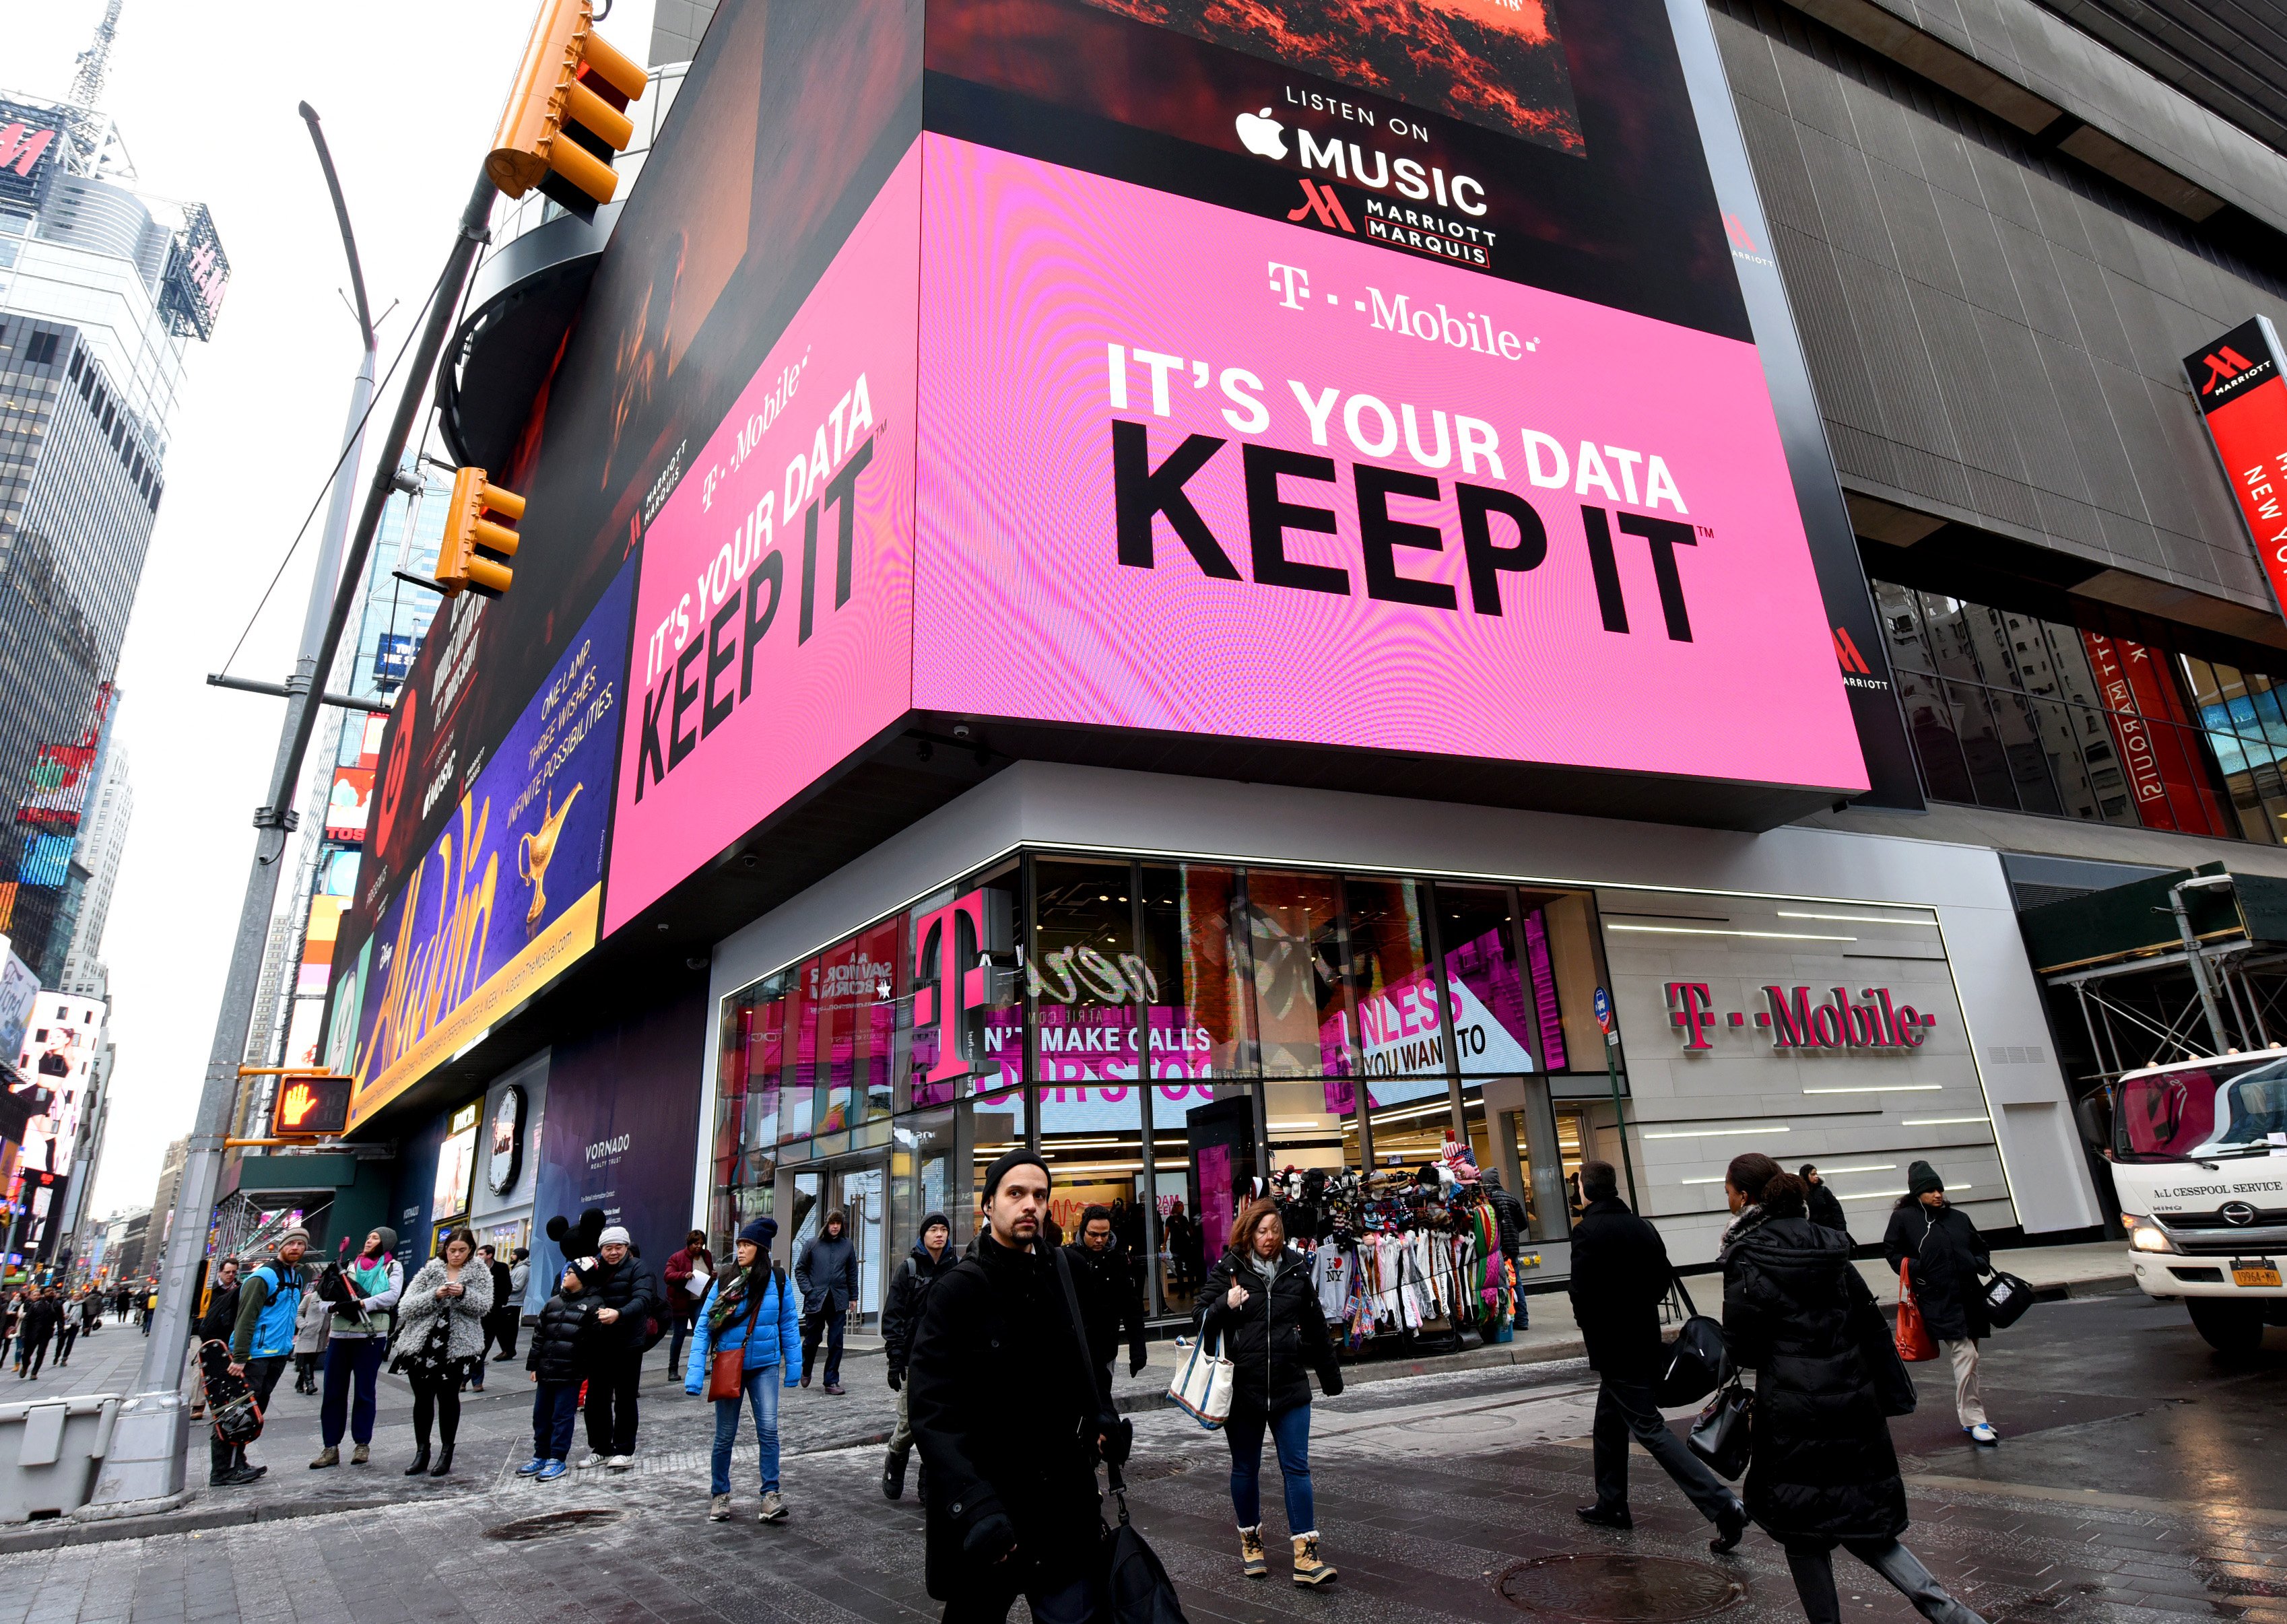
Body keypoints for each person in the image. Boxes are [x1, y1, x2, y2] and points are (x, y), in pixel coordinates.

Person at [1723, 1153, 1987, 1624]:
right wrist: (1890, 1396)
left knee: (1804, 1536)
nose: (1727, 1198)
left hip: (1791, 1411)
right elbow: (1869, 1326)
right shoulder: (1831, 1246)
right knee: (1868, 1527)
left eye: (1728, 1191)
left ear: (1744, 1197)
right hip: (1851, 1401)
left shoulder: (1747, 1256)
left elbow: (1745, 1347)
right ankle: (1951, 1615)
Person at [908, 1149, 1127, 1624]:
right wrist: (974, 1503)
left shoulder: (1068, 1275)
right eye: (1015, 1193)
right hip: (992, 1517)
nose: (1030, 1204)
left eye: (1039, 1195)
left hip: (1064, 1508)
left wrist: (1101, 1416)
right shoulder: (957, 1290)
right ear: (988, 1206)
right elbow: (930, 1409)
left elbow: (1090, 1366)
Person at [1568, 1158, 1748, 1550]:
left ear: (1588, 1189)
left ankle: (1723, 1505)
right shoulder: (1642, 1227)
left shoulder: (1588, 1232)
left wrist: (1597, 1326)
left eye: (1578, 1183)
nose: (1576, 1189)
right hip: (1644, 1339)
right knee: (1609, 1423)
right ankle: (1612, 1502)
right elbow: (1662, 1277)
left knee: (1649, 1429)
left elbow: (1582, 1294)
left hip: (1615, 1349)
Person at [1198, 1196, 1344, 1586]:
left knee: (1297, 1468)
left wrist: (1331, 1378)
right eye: (1262, 1231)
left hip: (1290, 1387)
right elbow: (1199, 1316)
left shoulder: (1297, 1268)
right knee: (1245, 1468)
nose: (1269, 1237)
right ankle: (1252, 1545)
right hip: (1243, 1390)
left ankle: (1307, 1557)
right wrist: (1224, 1305)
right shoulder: (1230, 1268)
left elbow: (1314, 1325)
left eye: (1275, 1230)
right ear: (1249, 1232)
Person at [685, 1215, 801, 1522]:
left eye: (747, 1245)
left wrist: (794, 1367)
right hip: (729, 1364)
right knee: (725, 1435)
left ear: (760, 1249)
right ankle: (720, 1495)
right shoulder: (724, 1279)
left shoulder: (778, 1280)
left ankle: (770, 1496)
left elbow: (788, 1324)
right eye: (739, 1244)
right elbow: (703, 1328)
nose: (740, 1250)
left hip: (765, 1367)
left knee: (769, 1430)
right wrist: (695, 1373)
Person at [1884, 1161, 1995, 1445]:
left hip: (1971, 1296)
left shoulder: (1958, 1217)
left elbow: (1980, 1246)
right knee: (1966, 1354)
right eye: (1930, 1190)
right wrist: (1918, 1268)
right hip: (1936, 1298)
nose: (1937, 1194)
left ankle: (1972, 1419)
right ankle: (1975, 1419)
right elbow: (1892, 1251)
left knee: (1970, 1360)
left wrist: (1978, 1262)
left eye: (1939, 1189)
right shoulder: (1904, 1219)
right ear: (1917, 1192)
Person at [391, 1227, 492, 1477]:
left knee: (448, 1399)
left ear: (470, 1251)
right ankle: (421, 1452)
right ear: (445, 1249)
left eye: (462, 1251)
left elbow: (485, 1306)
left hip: (457, 1345)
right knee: (422, 1400)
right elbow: (405, 1306)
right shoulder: (431, 1270)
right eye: (451, 1250)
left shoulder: (480, 1272)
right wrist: (434, 1295)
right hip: (423, 1343)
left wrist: (464, 1294)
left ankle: (446, 1453)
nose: (455, 1255)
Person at [222, 1228, 310, 1486]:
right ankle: (223, 1470)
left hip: (277, 1354)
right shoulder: (264, 1276)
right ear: (282, 1246)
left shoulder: (296, 1277)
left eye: (300, 1245)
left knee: (255, 1412)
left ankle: (239, 1462)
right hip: (254, 1355)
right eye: (291, 1243)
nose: (296, 1248)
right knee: (237, 1411)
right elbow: (246, 1318)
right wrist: (239, 1357)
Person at [312, 1227, 403, 1470]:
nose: (369, 1240)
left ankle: (362, 1444)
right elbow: (321, 1298)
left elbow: (393, 1296)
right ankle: (330, 1447)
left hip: (371, 1335)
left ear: (386, 1242)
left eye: (375, 1238)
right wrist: (334, 1307)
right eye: (368, 1236)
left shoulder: (392, 1267)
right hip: (340, 1334)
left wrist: (364, 1302)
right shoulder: (347, 1266)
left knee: (365, 1391)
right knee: (333, 1392)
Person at [880, 1211, 953, 1501]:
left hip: (946, 1360)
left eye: (944, 1230)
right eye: (933, 1229)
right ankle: (896, 1458)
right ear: (923, 1235)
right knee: (909, 1423)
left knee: (939, 1423)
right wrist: (895, 1357)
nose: (939, 1234)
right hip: (914, 1359)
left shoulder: (955, 1268)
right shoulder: (908, 1269)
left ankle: (929, 1478)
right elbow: (893, 1315)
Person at [581, 1224, 660, 1470]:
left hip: (628, 1342)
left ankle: (625, 1449)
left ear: (627, 1248)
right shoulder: (591, 1268)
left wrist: (619, 1313)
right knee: (595, 1398)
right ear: (600, 1249)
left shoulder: (639, 1268)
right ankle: (601, 1448)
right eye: (608, 1248)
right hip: (598, 1342)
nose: (613, 1253)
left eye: (618, 1247)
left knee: (625, 1397)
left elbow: (643, 1300)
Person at [521, 1260, 599, 1482]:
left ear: (583, 1278)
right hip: (547, 1370)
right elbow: (539, 1336)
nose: (566, 1276)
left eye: (572, 1273)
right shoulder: (552, 1303)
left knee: (562, 1417)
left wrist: (584, 1367)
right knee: (541, 1415)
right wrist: (534, 1365)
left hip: (571, 1372)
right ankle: (540, 1455)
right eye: (567, 1272)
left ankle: (557, 1458)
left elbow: (594, 1340)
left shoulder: (593, 1304)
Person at [1065, 1205, 1148, 1396]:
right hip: (1073, 1347)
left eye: (1104, 1234)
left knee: (1101, 1400)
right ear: (1083, 1230)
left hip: (1105, 1347)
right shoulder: (1067, 1258)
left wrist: (1138, 1352)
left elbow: (1132, 1309)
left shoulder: (1117, 1260)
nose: (1099, 1240)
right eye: (1093, 1234)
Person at [795, 1210, 857, 1395]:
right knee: (812, 1340)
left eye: (838, 1223)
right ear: (826, 1224)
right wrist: (809, 1290)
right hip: (816, 1300)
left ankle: (831, 1381)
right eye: (832, 1223)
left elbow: (852, 1272)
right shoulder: (812, 1245)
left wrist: (853, 1297)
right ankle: (806, 1369)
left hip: (838, 1300)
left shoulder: (847, 1245)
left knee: (836, 1341)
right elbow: (800, 1270)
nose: (835, 1226)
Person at [1482, 1170, 1533, 1329]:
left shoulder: (1488, 1200)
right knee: (1516, 1281)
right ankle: (1522, 1320)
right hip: (1512, 1247)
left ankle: (1505, 1320)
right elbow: (1523, 1223)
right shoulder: (1511, 1197)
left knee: (1499, 1284)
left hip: (1496, 1248)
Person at [663, 1227, 715, 1380]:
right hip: (681, 1301)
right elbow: (668, 1276)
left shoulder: (707, 1256)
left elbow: (707, 1274)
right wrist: (683, 1275)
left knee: (701, 1333)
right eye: (695, 1243)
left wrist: (712, 1276)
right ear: (689, 1243)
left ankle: (698, 1365)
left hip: (699, 1300)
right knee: (679, 1336)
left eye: (701, 1243)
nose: (699, 1246)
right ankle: (673, 1370)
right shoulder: (677, 1257)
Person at [474, 1244, 515, 1390]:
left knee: (484, 1347)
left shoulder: (501, 1268)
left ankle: (472, 1380)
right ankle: (472, 1380)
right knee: (474, 1348)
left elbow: (507, 1286)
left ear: (489, 1255)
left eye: (481, 1254)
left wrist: (501, 1301)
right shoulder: (474, 1269)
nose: (478, 1257)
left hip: (494, 1313)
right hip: (476, 1313)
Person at [292, 1275, 330, 1394]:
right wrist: (303, 1325)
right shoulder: (310, 1298)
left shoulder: (330, 1300)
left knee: (311, 1361)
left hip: (321, 1336)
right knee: (307, 1359)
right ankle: (310, 1384)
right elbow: (298, 1313)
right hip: (308, 1334)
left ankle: (299, 1383)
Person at [16, 1287, 61, 1379]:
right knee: (26, 1354)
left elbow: (60, 1318)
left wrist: (61, 1328)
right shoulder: (36, 1305)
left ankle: (34, 1373)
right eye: (48, 1291)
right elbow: (26, 1320)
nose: (51, 1292)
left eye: (52, 1291)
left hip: (45, 1334)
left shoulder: (57, 1305)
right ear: (44, 1294)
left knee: (41, 1353)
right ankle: (25, 1366)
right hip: (32, 1333)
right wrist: (23, 1333)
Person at [1801, 1165, 1852, 1241]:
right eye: (1813, 1174)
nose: (1816, 1176)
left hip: (1830, 1230)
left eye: (1816, 1174)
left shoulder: (1823, 1190)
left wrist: (1842, 1232)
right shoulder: (1802, 1194)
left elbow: (1837, 1211)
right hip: (1813, 1234)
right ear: (1806, 1176)